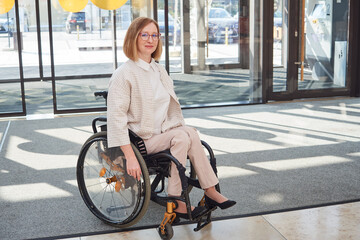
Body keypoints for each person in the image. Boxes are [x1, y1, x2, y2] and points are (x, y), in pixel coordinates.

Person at [107, 17, 236, 219]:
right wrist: (130, 156)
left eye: (155, 35)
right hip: (140, 141)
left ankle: (208, 191)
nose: (151, 40)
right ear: (134, 37)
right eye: (145, 34)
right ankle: (180, 199)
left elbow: (170, 108)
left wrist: (177, 128)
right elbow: (116, 119)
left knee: (189, 133)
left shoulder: (159, 70)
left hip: (163, 133)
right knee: (184, 137)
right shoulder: (123, 74)